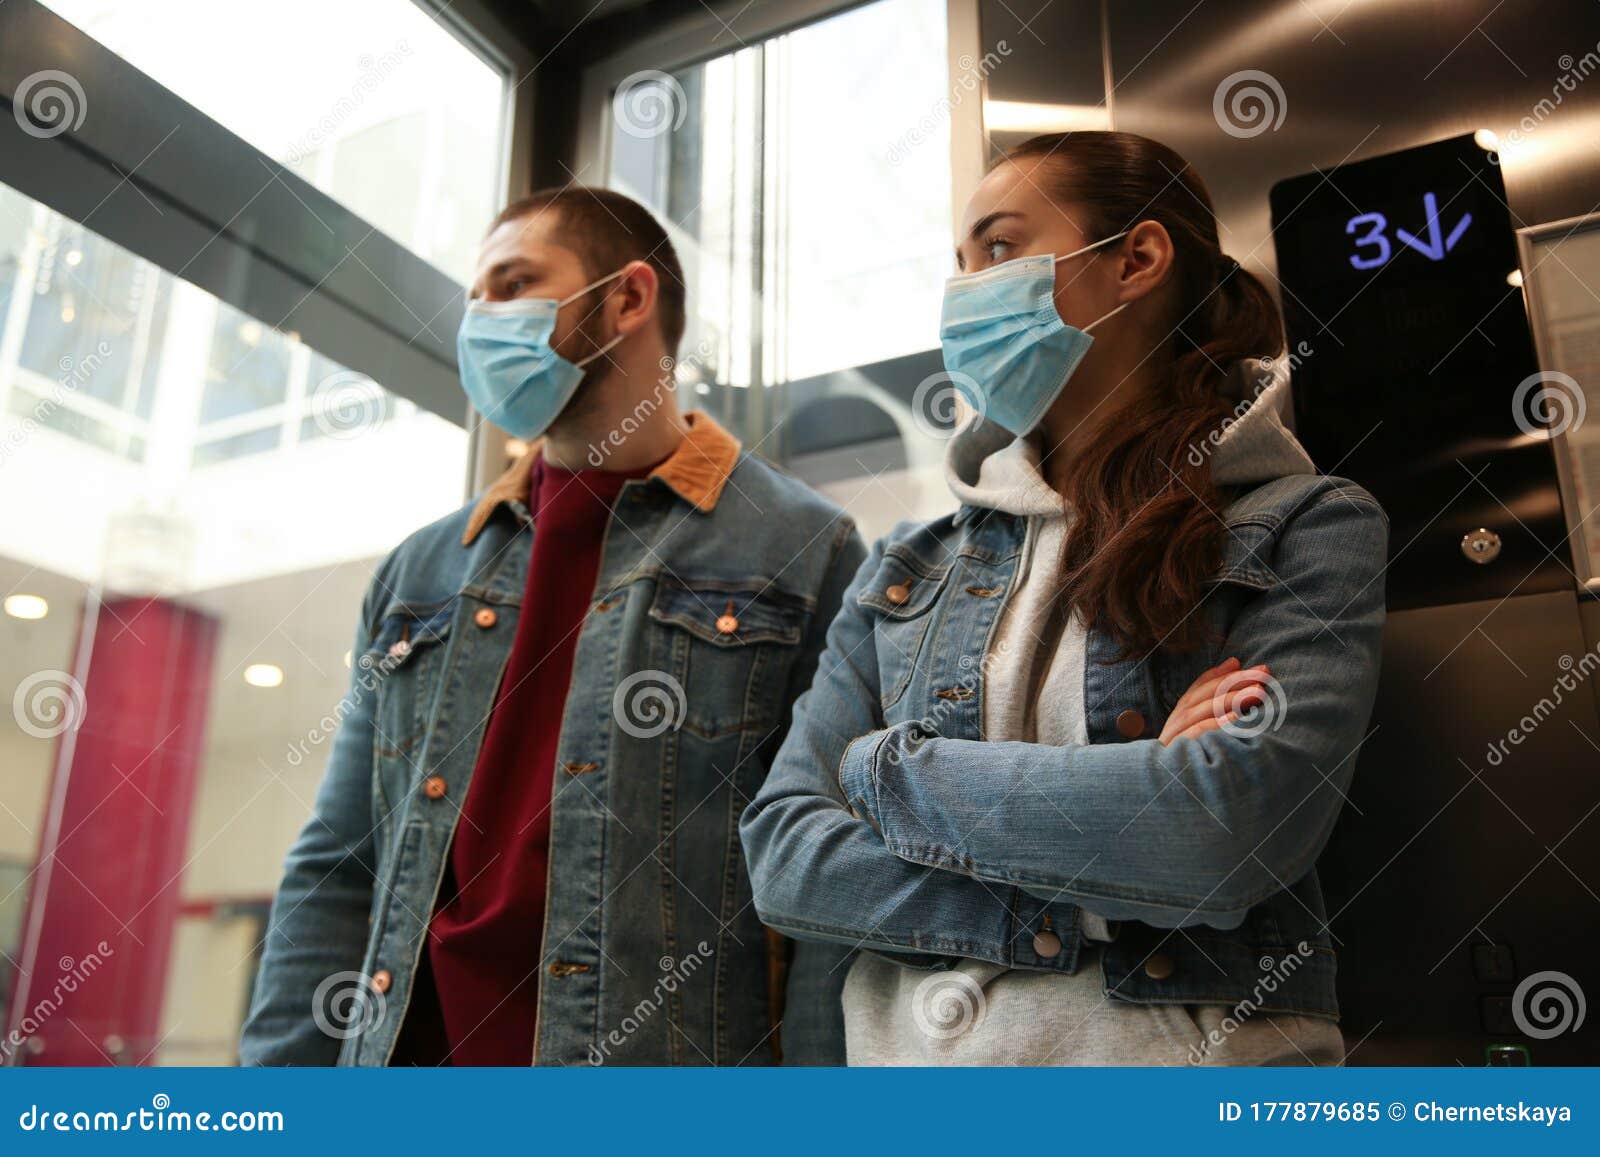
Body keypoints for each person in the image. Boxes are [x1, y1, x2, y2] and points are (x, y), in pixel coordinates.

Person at [740, 131, 1388, 1065]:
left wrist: (889, 773)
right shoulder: (902, 567)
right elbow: (789, 859)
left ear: (1137, 259)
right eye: (958, 262)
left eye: (997, 249)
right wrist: (1126, 828)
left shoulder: (1306, 523)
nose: (965, 289)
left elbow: (1224, 833)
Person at [241, 187, 865, 1066]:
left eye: (514, 283)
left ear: (628, 298)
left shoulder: (801, 547)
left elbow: (829, 893)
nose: (481, 320)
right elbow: (338, 863)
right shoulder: (425, 568)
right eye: (476, 298)